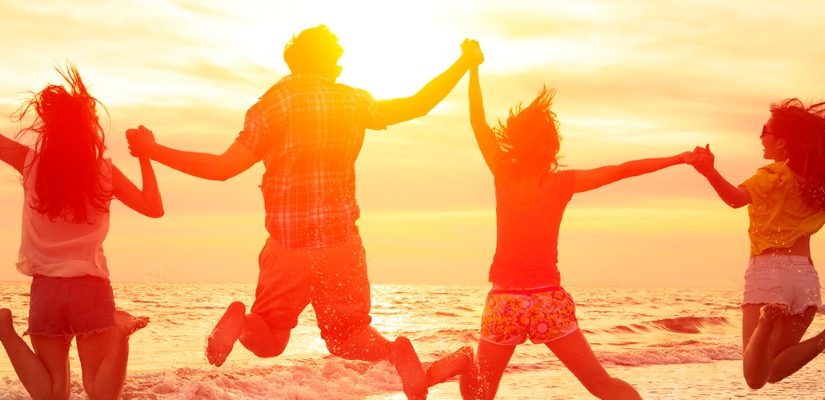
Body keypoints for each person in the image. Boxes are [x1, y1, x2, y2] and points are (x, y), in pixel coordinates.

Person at [126, 25, 482, 399]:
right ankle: (395, 353)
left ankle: (243, 323)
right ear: (332, 64)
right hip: (340, 246)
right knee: (348, 336)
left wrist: (154, 150)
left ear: (294, 62)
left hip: (287, 249)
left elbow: (222, 168)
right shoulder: (354, 101)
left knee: (270, 338)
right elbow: (418, 104)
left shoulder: (270, 106)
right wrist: (463, 62)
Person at [455, 41, 697, 400]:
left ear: (514, 142)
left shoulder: (503, 173)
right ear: (551, 145)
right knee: (601, 385)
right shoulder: (561, 183)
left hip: (504, 300)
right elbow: (623, 170)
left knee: (479, 395)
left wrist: (472, 67)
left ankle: (460, 362)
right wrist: (678, 158)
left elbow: (477, 121)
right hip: (546, 300)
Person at [0, 65, 160, 400]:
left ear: (49, 127)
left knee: (53, 393)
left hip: (47, 288)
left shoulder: (31, 162)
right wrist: (146, 154)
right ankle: (120, 335)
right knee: (98, 391)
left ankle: (7, 335)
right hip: (89, 285)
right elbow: (152, 207)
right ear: (90, 130)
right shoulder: (103, 171)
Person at [689, 99, 825, 389]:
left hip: (769, 272)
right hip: (806, 280)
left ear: (785, 142)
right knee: (772, 371)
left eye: (767, 129)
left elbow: (735, 200)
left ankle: (765, 323)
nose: (761, 136)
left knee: (754, 378)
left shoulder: (773, 177)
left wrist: (709, 172)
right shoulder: (819, 185)